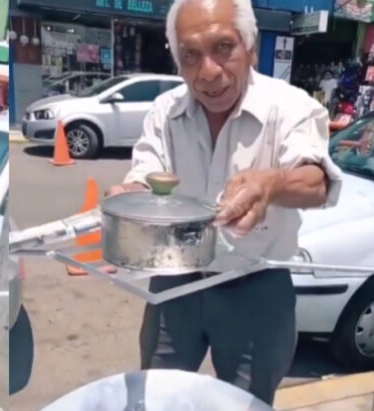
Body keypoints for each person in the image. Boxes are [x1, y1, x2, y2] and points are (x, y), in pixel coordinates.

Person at [106, 0, 342, 405]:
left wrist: (272, 183)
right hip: (174, 280)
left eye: (223, 48)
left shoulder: (291, 107)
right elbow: (147, 171)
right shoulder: (165, 111)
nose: (208, 72)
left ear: (251, 48)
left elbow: (316, 180)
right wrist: (131, 196)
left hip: (256, 289)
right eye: (191, 55)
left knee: (246, 401)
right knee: (155, 395)